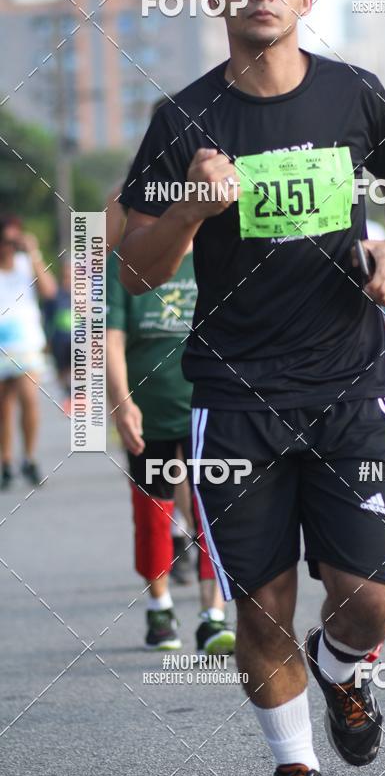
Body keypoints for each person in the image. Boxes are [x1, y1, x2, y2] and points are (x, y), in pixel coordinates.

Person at [118, 0, 385, 776]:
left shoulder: (352, 93)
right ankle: (296, 767)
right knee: (261, 611)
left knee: (368, 604)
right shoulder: (184, 118)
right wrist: (190, 211)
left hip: (350, 389)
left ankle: (339, 670)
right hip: (237, 400)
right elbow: (137, 271)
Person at [106, 241, 235, 653]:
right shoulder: (127, 262)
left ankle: (212, 617)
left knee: (211, 511)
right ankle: (159, 608)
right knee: (153, 515)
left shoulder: (219, 253)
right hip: (149, 412)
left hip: (208, 407)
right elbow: (110, 339)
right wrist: (121, 403)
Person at [0, 216, 56, 489]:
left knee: (29, 400)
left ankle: (29, 457)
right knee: (3, 407)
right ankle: (6, 461)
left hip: (26, 344)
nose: (9, 246)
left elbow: (49, 291)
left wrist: (33, 253)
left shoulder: (26, 264)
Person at [44, 259, 72, 414]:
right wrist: (47, 340)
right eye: (66, 275)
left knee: (77, 370)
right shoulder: (55, 295)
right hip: (59, 340)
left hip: (78, 340)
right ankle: (68, 396)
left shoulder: (83, 294)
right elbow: (47, 319)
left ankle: (78, 397)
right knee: (62, 371)